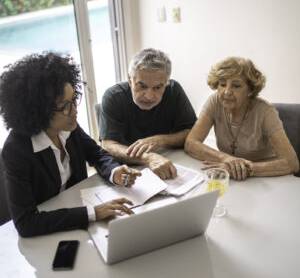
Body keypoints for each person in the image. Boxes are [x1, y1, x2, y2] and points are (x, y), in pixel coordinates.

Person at [0, 52, 141, 237]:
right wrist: (93, 212)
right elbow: (27, 223)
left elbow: (96, 154)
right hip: (51, 232)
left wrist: (115, 172)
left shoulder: (68, 126)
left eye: (74, 99)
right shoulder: (16, 150)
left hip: (80, 218)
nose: (75, 110)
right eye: (65, 106)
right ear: (38, 112)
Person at [185, 57, 299, 180]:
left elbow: (292, 163)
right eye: (222, 84)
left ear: (250, 90)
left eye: (236, 86)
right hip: (235, 176)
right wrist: (226, 159)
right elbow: (191, 143)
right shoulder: (215, 101)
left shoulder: (266, 112)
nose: (227, 92)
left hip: (268, 176)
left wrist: (244, 168)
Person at [99, 48, 197, 180]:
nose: (149, 96)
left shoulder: (174, 90)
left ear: (166, 82)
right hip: (127, 171)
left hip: (169, 162)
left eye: (157, 88)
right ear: (130, 79)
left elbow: (193, 133)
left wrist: (160, 140)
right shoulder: (113, 97)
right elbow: (108, 145)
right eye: (142, 86)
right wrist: (147, 157)